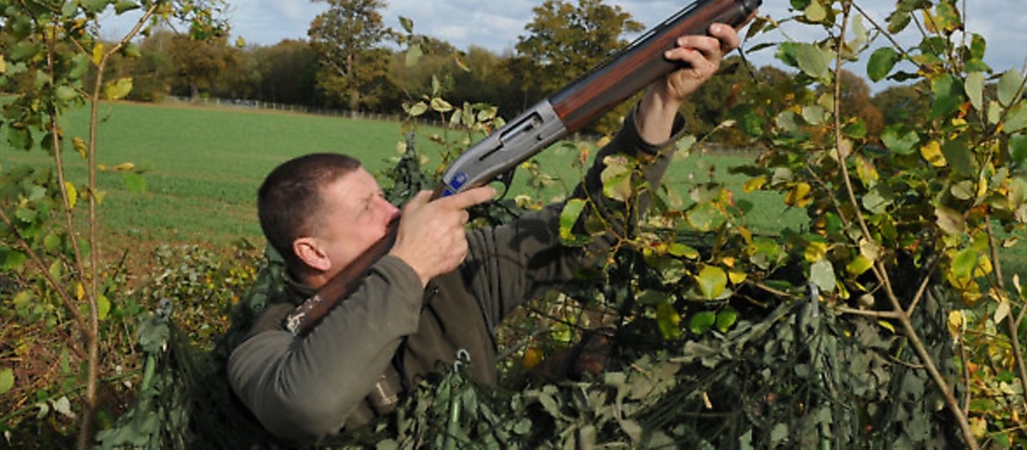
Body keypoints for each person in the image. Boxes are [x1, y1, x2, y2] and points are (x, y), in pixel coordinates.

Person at [227, 23, 743, 444]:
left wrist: (661, 104)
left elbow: (587, 236)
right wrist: (407, 266)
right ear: (312, 251)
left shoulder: (455, 274)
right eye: (368, 208)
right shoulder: (268, 343)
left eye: (383, 195)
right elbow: (307, 408)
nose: (395, 211)